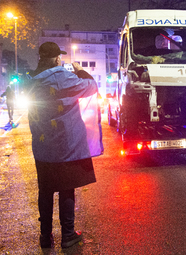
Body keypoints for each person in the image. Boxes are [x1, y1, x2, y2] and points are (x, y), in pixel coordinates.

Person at [27, 42, 103, 249]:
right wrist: (81, 70)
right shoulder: (63, 77)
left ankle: (45, 237)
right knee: (66, 189)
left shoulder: (31, 79)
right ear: (56, 58)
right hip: (65, 146)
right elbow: (92, 87)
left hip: (42, 147)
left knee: (45, 190)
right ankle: (68, 234)